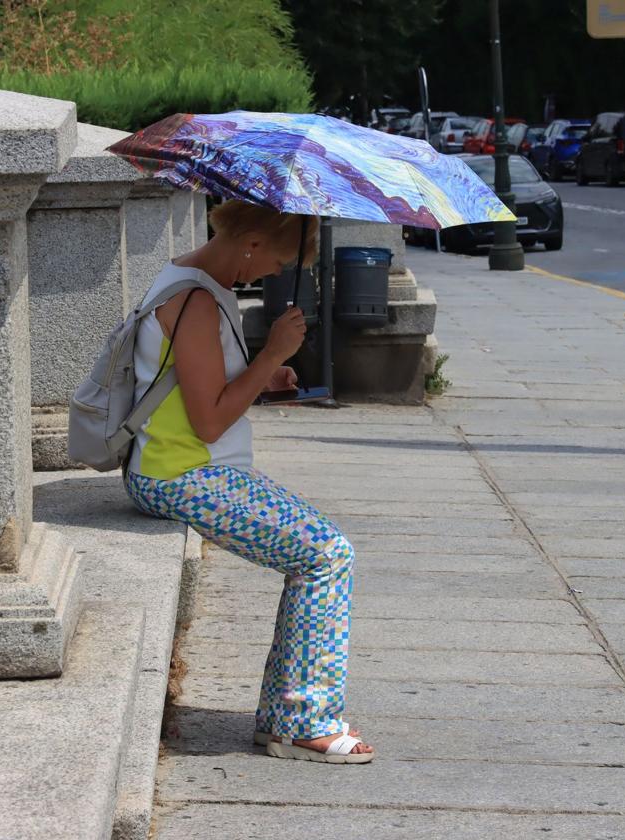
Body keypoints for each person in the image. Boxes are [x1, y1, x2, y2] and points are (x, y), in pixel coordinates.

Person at [123, 200, 373, 765]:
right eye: (279, 259)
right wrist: (272, 356)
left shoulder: (192, 283)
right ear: (252, 242)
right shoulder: (196, 303)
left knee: (320, 550)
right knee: (325, 553)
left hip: (182, 464)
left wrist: (263, 378)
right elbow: (209, 419)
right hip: (183, 473)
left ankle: (289, 718)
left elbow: (196, 391)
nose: (275, 273)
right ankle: (302, 721)